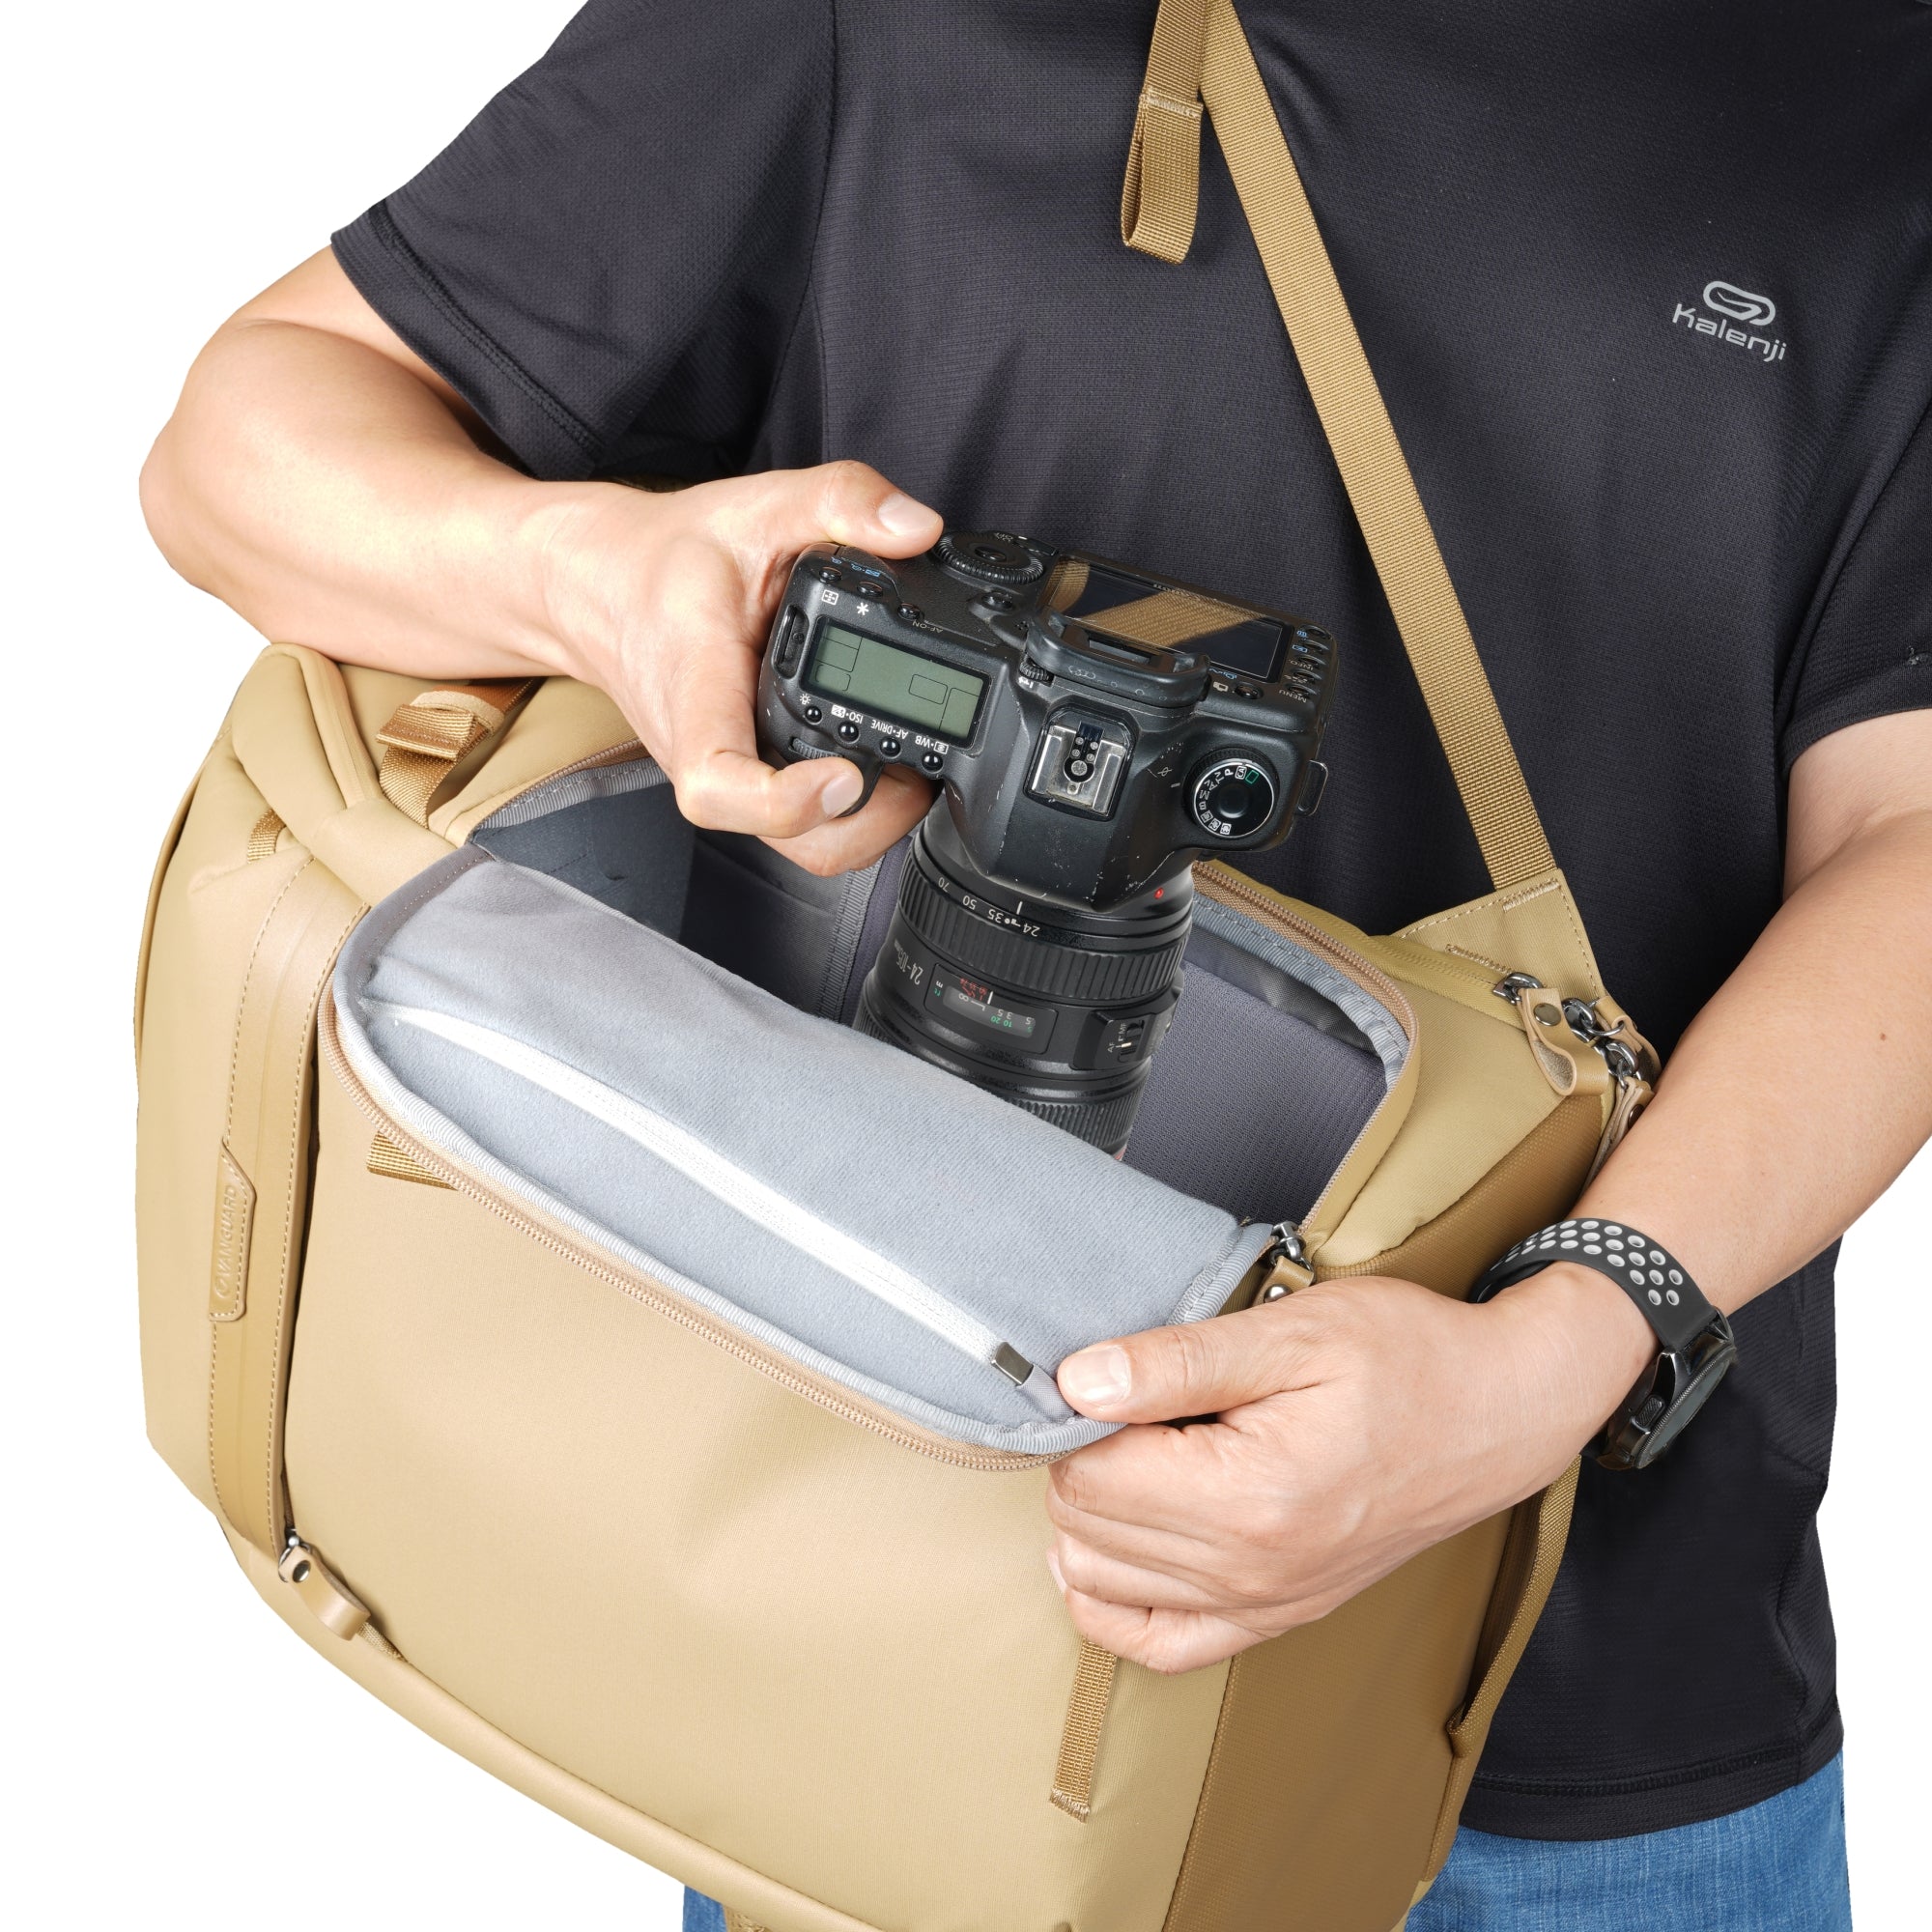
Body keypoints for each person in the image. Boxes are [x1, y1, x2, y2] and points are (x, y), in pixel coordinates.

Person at [140, 4, 1931, 1925]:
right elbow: (249, 434)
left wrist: (1554, 1355)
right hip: (892, 1631)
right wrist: (589, 575)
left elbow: (1904, 839)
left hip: (1580, 1679)